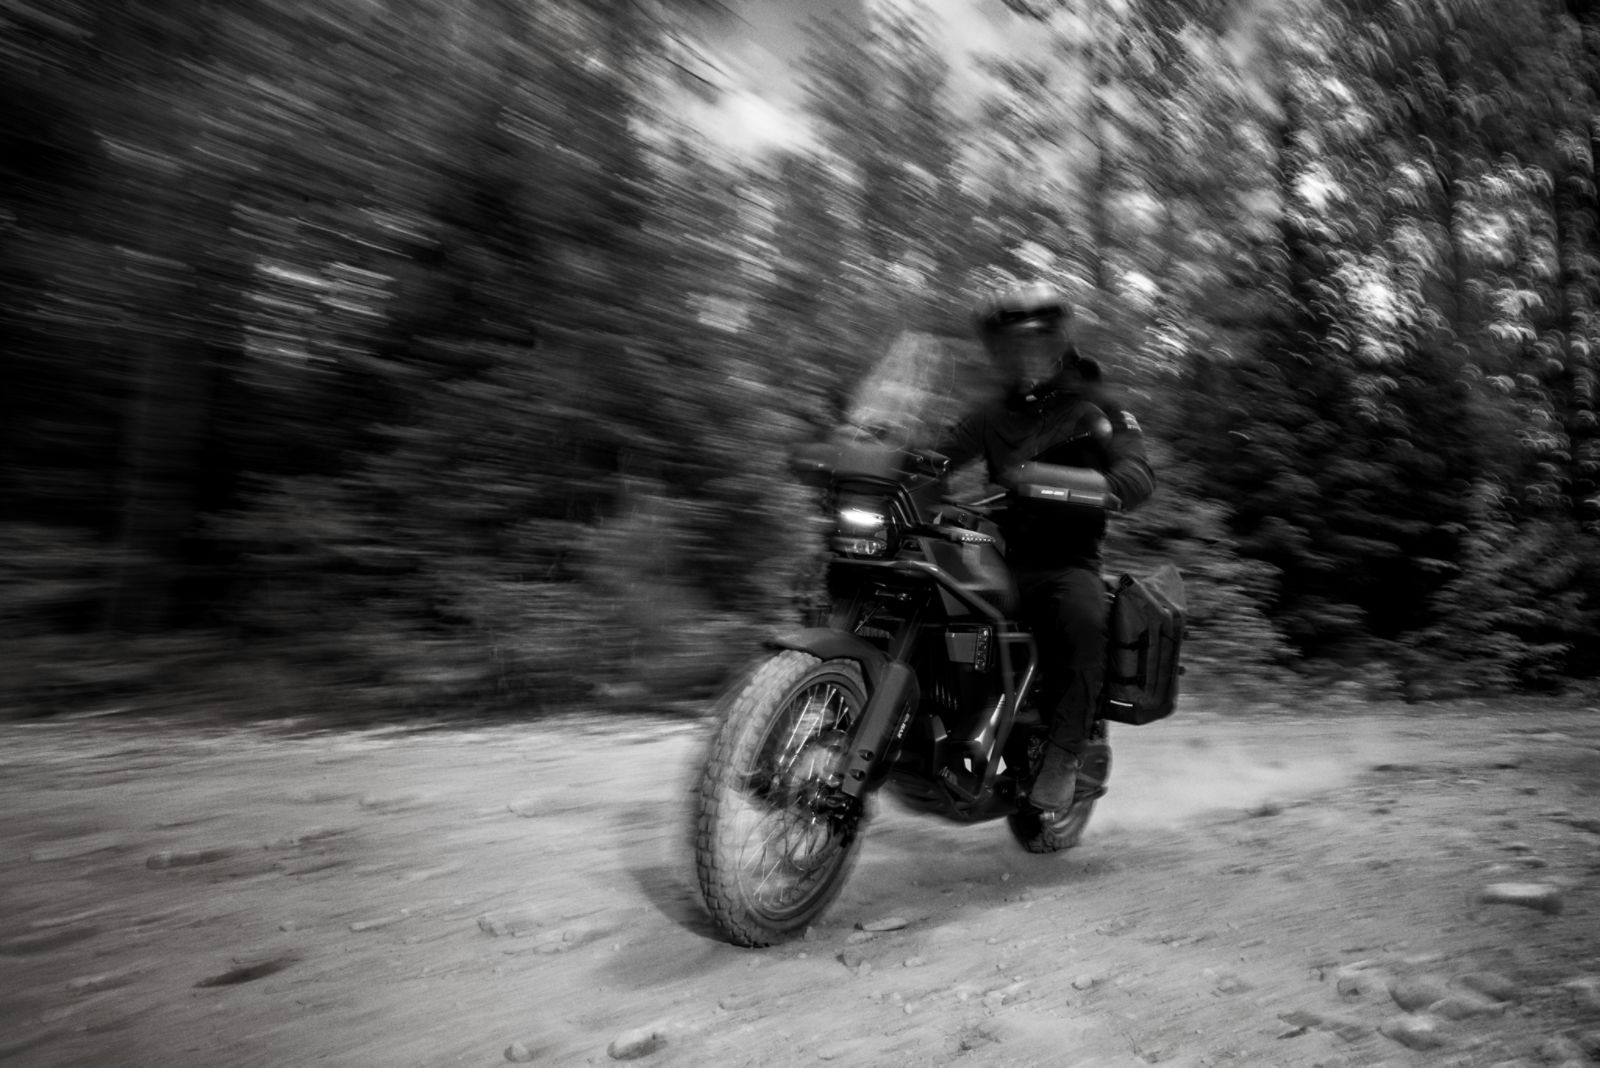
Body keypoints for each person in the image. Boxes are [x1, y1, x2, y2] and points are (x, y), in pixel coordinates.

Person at [932, 282, 1156, 814]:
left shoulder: (1096, 407)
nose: (1022, 353)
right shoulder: (990, 414)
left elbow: (1137, 469)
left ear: (1057, 341)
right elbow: (934, 458)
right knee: (924, 584)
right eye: (1009, 343)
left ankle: (1064, 755)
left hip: (1065, 558)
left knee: (1080, 614)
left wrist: (1106, 485)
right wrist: (890, 465)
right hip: (997, 553)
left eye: (1033, 340)